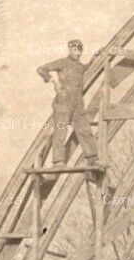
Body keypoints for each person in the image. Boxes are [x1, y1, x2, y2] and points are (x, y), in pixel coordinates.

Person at [37, 39, 100, 167]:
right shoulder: (62, 62)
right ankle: (58, 161)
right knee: (61, 129)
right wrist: (54, 82)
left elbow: (87, 68)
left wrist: (94, 58)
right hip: (63, 101)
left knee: (84, 128)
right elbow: (41, 69)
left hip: (78, 102)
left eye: (79, 51)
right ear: (70, 49)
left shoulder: (79, 66)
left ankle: (92, 158)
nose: (78, 53)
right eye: (75, 50)